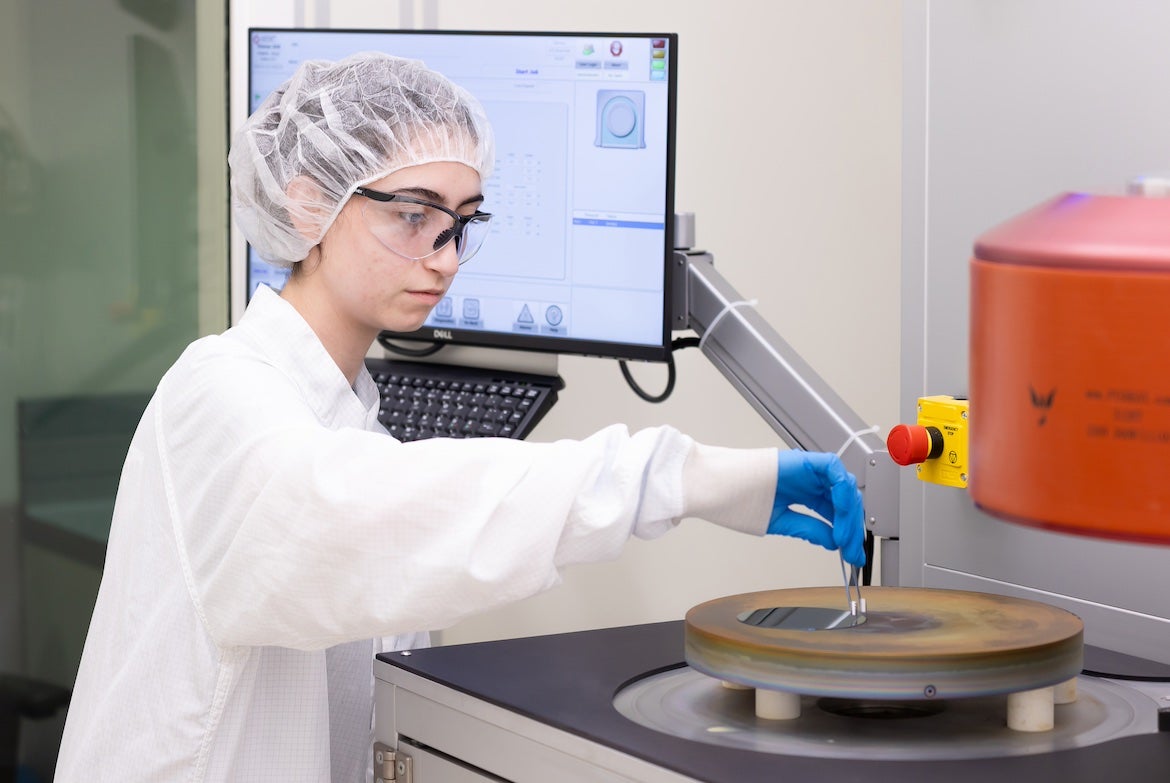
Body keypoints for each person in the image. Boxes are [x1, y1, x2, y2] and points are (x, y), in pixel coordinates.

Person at [55, 52, 865, 781]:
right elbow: (355, 518)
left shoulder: (344, 418)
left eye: (461, 222)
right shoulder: (220, 395)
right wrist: (683, 477)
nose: (443, 254)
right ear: (308, 204)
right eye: (413, 214)